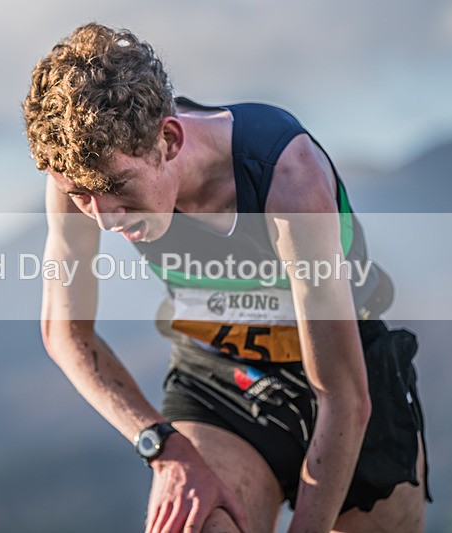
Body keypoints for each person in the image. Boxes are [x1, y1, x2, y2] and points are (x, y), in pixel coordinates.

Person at [23, 23, 430, 532]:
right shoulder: (79, 171)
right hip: (222, 378)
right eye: (82, 194)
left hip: (346, 378)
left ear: (168, 140)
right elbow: (64, 332)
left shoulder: (287, 177)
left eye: (117, 187)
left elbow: (343, 396)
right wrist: (165, 446)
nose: (103, 218)